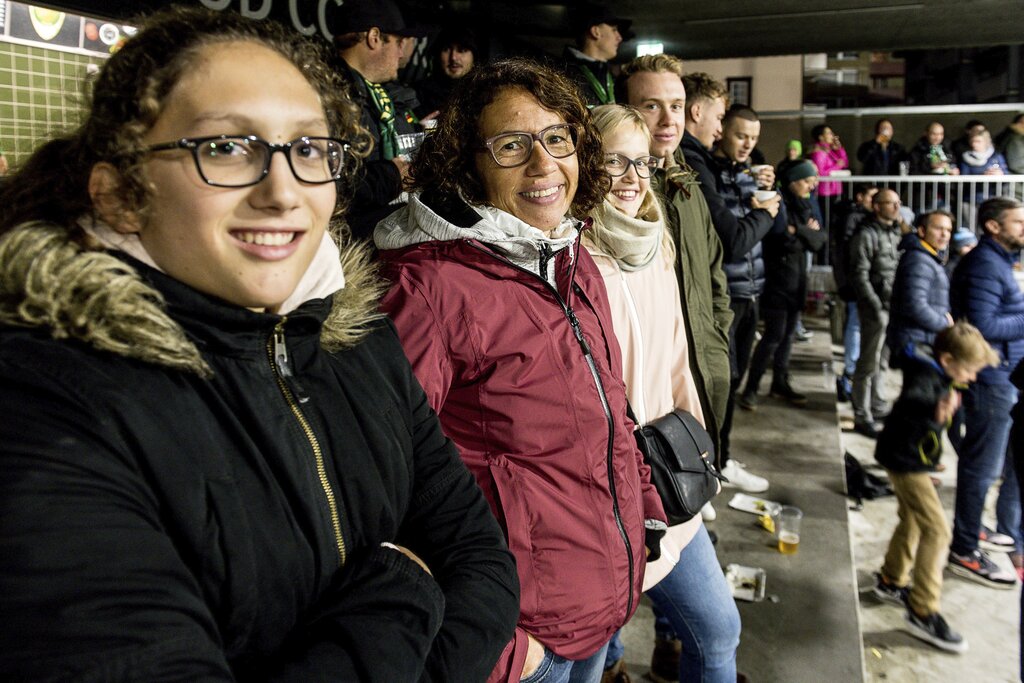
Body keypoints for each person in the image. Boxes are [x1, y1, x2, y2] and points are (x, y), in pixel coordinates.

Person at [0, 8, 520, 681]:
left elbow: (482, 558)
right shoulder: (46, 413)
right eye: (224, 147)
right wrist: (405, 584)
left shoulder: (355, 336)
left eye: (308, 149)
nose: (282, 191)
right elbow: (442, 571)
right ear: (121, 196)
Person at [374, 58, 667, 683]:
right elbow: (385, 488)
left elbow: (609, 404)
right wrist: (500, 645)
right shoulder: (428, 287)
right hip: (524, 634)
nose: (543, 164)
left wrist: (642, 511)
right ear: (467, 161)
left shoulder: (569, 254)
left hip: (602, 594)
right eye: (511, 145)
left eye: (557, 139)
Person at [585, 103, 740, 683]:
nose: (631, 178)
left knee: (719, 628)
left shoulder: (657, 246)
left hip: (666, 480)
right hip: (605, 494)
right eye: (614, 162)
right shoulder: (571, 257)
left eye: (643, 163)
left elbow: (678, 360)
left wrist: (698, 468)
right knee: (599, 656)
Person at [616, 55, 733, 500]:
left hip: (707, 364)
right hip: (653, 386)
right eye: (651, 106)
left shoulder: (687, 181)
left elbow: (714, 272)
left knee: (701, 481)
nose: (668, 120)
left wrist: (718, 337)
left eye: (677, 106)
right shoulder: (618, 190)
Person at [873, 322, 998, 653]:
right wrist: (934, 411)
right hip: (905, 462)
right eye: (970, 370)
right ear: (947, 360)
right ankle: (922, 610)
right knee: (939, 532)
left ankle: (891, 579)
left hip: (906, 457)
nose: (971, 378)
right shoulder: (927, 378)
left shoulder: (935, 370)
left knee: (912, 520)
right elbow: (916, 397)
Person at [682, 88, 779, 493]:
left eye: (753, 140)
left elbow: (773, 219)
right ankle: (708, 468)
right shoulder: (705, 167)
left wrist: (769, 192)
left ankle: (720, 461)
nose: (745, 144)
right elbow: (735, 239)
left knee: (730, 380)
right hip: (727, 292)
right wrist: (765, 213)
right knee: (718, 380)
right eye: (737, 133)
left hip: (749, 288)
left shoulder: (748, 170)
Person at [947, 196, 1024, 590]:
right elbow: (982, 326)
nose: (1023, 228)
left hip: (1004, 379)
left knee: (989, 465)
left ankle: (973, 529)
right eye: (1017, 222)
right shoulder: (983, 265)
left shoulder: (994, 262)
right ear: (993, 226)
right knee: (980, 467)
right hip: (992, 382)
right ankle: (963, 548)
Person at [739, 159, 825, 410]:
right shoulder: (779, 200)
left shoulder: (806, 203)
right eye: (807, 181)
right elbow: (779, 238)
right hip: (778, 280)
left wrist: (797, 230)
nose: (812, 186)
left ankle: (780, 381)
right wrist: (805, 233)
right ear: (794, 181)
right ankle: (751, 389)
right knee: (773, 336)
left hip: (797, 279)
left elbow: (820, 240)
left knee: (788, 336)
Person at [331, 0, 421, 238]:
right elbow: (326, 185)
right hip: (349, 247)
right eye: (398, 43)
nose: (401, 53)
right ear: (374, 37)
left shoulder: (380, 96)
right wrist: (390, 176)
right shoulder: (328, 97)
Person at [849, 189, 906, 438]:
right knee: (867, 362)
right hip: (876, 308)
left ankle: (877, 403)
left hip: (891, 305)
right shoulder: (865, 234)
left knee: (882, 360)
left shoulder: (895, 232)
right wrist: (874, 306)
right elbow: (860, 275)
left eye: (898, 203)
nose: (896, 207)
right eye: (890, 203)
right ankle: (862, 413)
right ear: (876, 206)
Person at [886, 210, 955, 367]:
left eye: (948, 230)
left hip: (922, 337)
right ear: (922, 231)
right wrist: (944, 323)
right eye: (938, 228)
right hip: (915, 341)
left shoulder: (927, 257)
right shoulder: (919, 260)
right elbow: (914, 304)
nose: (944, 234)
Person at [831, 184, 878, 400]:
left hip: (860, 282)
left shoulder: (868, 219)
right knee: (856, 327)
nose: (875, 202)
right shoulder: (854, 218)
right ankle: (848, 377)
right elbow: (847, 254)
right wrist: (847, 283)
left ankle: (851, 376)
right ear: (860, 197)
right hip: (854, 283)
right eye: (872, 197)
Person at [562, 4, 631, 106]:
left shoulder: (612, 76)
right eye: (614, 30)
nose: (619, 37)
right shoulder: (563, 74)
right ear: (596, 32)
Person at [416, 25, 479, 116]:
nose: (453, 57)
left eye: (461, 50)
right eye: (446, 49)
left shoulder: (484, 93)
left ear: (474, 57)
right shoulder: (419, 95)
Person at [806, 124, 849, 223]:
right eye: (829, 133)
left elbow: (845, 163)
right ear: (821, 137)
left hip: (834, 190)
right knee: (827, 220)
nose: (832, 136)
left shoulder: (830, 151)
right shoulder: (818, 152)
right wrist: (837, 166)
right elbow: (820, 173)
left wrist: (839, 149)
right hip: (825, 191)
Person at [958, 128, 1009, 207]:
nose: (974, 144)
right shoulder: (965, 158)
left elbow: (1006, 175)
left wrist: (1001, 174)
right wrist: (983, 176)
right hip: (971, 200)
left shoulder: (996, 156)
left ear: (986, 142)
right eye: (972, 141)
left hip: (993, 199)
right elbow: (964, 178)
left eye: (978, 141)